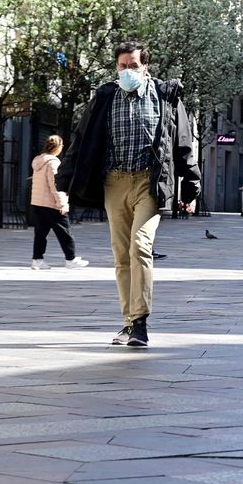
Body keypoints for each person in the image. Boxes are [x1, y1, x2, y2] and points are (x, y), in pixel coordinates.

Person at [56, 40, 201, 348]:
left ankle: (140, 322)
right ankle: (128, 322)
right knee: (121, 256)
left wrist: (191, 187)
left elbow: (184, 142)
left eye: (133, 66)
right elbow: (81, 140)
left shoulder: (165, 96)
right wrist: (63, 182)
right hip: (114, 182)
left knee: (140, 246)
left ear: (145, 67)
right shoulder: (105, 98)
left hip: (149, 183)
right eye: (122, 66)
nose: (127, 71)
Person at [29, 135, 89, 270]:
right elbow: (55, 185)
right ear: (57, 147)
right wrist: (62, 204)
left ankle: (37, 260)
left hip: (38, 203)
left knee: (40, 233)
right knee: (65, 232)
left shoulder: (38, 161)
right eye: (62, 146)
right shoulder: (53, 162)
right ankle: (71, 259)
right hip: (51, 204)